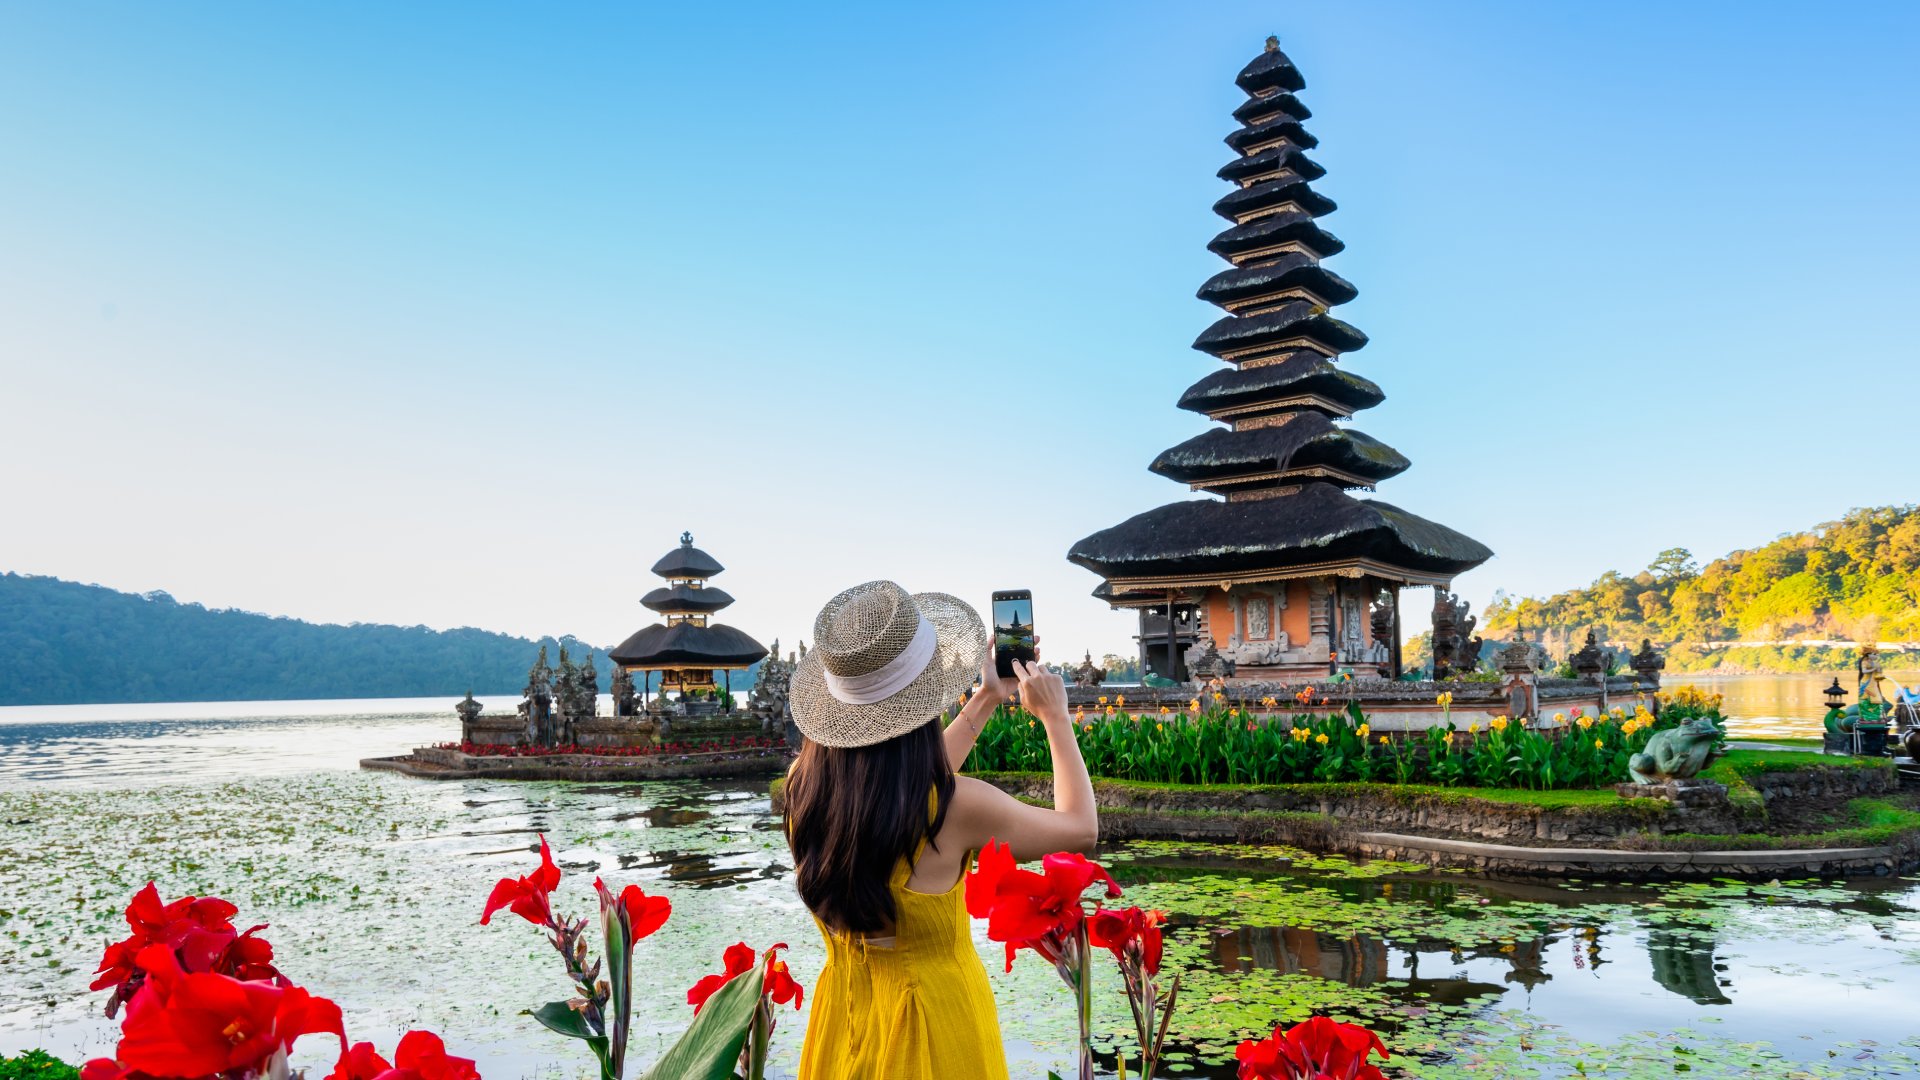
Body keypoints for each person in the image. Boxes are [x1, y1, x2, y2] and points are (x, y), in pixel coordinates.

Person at [783, 580, 1097, 1080]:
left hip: (843, 1021)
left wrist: (988, 700)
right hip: (935, 1025)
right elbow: (1080, 829)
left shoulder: (806, 791)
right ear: (924, 700)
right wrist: (1056, 718)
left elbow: (896, 791)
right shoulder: (961, 806)